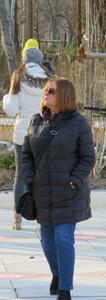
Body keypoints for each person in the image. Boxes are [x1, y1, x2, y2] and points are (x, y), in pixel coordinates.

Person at [22, 78, 96, 299]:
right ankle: (57, 273)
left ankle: (65, 287)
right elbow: (26, 155)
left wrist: (74, 180)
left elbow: (88, 158)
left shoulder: (79, 123)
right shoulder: (35, 121)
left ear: (64, 95)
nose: (46, 93)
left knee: (63, 238)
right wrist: (30, 179)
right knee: (47, 240)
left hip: (69, 192)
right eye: (45, 90)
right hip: (42, 192)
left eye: (51, 91)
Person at [2, 48, 50, 230]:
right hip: (44, 132)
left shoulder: (18, 77)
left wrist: (6, 98)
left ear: (24, 60)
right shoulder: (48, 78)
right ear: (40, 60)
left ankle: (17, 217)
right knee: (43, 175)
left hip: (22, 133)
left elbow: (12, 109)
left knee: (21, 175)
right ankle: (43, 217)